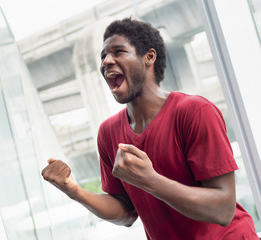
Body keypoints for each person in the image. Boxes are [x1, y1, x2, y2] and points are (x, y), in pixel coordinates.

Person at [41, 18, 259, 239]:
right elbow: (126, 213)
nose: (107, 60)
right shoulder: (107, 133)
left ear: (149, 57)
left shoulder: (195, 112)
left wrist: (150, 180)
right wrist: (75, 191)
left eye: (118, 51)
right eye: (103, 56)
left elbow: (223, 209)